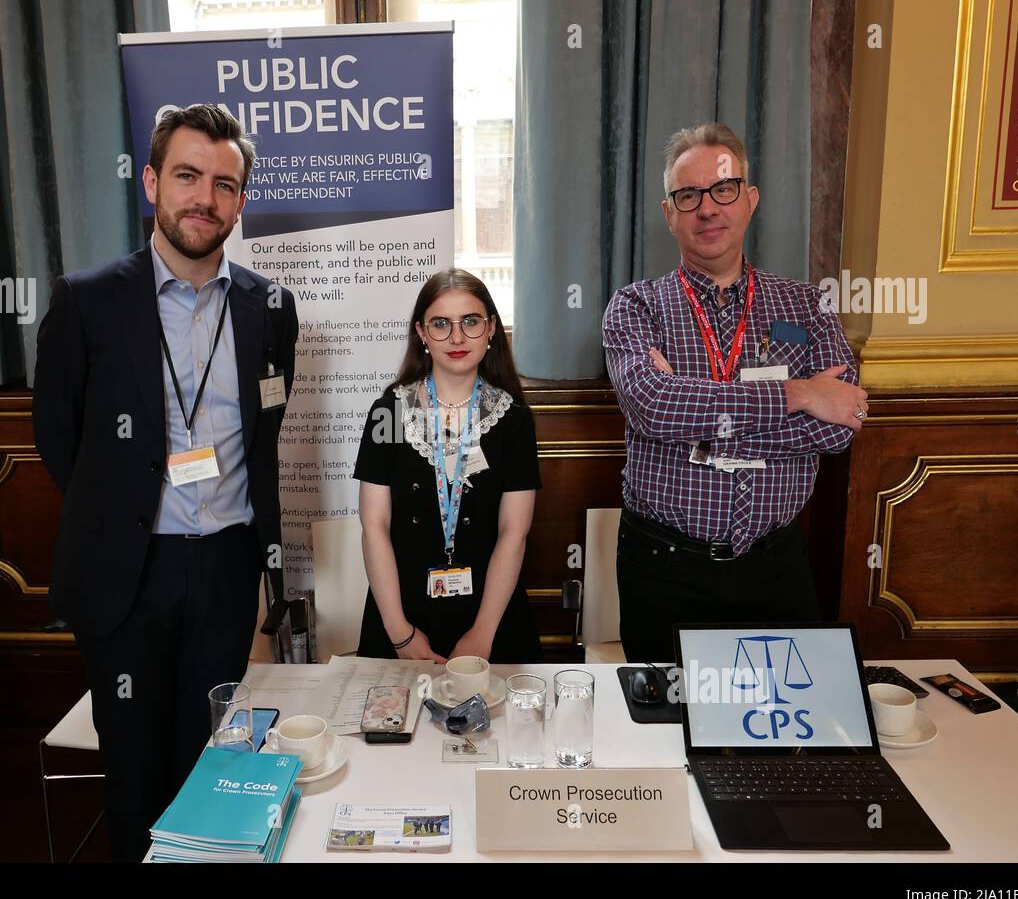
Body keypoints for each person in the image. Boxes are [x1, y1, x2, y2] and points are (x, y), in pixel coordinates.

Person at [32, 104, 298, 862]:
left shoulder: (270, 308)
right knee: (136, 775)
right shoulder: (87, 301)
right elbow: (59, 437)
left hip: (224, 568)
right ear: (151, 181)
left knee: (213, 764)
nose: (203, 198)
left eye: (224, 184)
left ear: (241, 201)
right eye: (186, 176)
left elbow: (265, 428)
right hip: (127, 575)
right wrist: (118, 518)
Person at [602, 123, 866, 664]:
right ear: (668, 212)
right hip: (665, 568)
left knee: (784, 730)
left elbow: (839, 424)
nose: (707, 208)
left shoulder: (805, 307)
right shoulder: (635, 308)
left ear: (749, 200)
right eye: (688, 195)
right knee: (666, 733)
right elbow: (655, 407)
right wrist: (799, 394)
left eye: (723, 190)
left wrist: (694, 404)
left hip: (777, 567)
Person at [355, 269, 542, 663]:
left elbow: (514, 532)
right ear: (421, 332)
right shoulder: (388, 413)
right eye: (441, 324)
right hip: (400, 616)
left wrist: (483, 632)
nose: (457, 338)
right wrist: (400, 635)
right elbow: (373, 527)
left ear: (491, 328)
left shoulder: (514, 419)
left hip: (491, 618)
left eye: (471, 322)